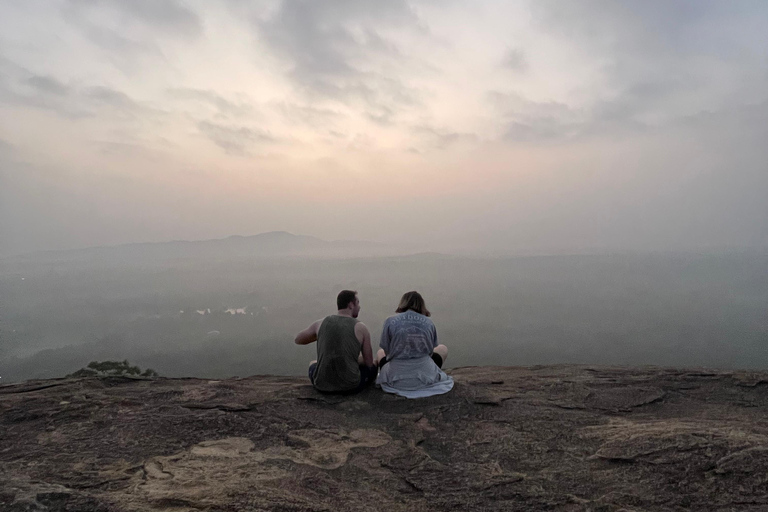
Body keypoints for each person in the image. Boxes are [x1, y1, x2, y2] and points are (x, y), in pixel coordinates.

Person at [294, 290, 377, 394]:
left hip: (321, 385)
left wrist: (321, 334)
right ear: (351, 305)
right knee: (374, 363)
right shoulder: (361, 327)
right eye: (358, 303)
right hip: (351, 386)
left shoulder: (321, 323)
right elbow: (369, 363)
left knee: (313, 363)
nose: (359, 307)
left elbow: (298, 339)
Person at [376, 291, 454, 398]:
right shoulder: (428, 322)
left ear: (402, 303)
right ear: (421, 304)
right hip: (424, 375)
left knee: (380, 352)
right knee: (442, 348)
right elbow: (430, 351)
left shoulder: (390, 321)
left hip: (397, 377)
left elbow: (387, 351)